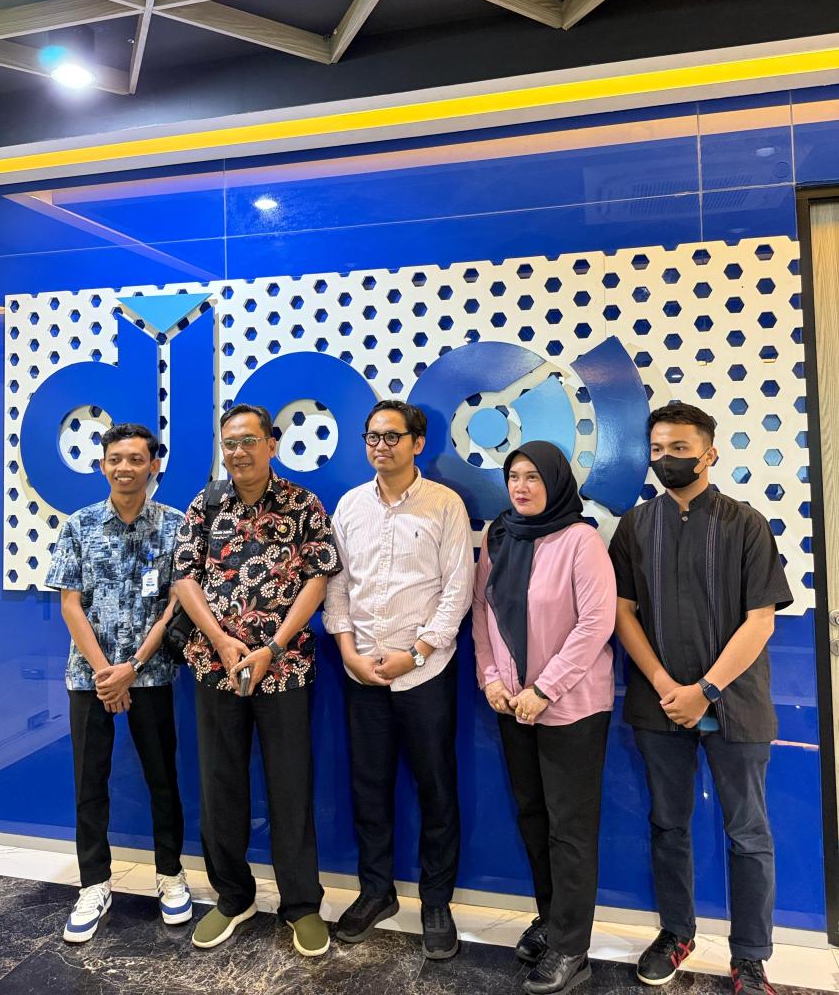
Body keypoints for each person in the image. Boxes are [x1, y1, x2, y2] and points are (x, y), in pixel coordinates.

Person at [611, 402, 792, 995]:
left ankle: (750, 957)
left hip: (736, 704)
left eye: (680, 448)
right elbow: (622, 612)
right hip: (659, 704)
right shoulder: (635, 526)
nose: (667, 459)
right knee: (668, 824)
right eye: (658, 450)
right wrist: (668, 687)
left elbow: (761, 620)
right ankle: (676, 933)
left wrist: (706, 690)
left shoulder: (746, 524)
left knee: (749, 833)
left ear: (709, 453)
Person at [171, 403, 340, 958]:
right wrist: (221, 641)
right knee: (220, 785)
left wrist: (273, 647)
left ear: (271, 443)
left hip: (283, 668)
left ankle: (302, 905)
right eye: (229, 443)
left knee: (290, 787)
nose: (238, 452)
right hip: (215, 667)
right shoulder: (205, 504)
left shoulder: (302, 504)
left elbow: (318, 579)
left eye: (248, 440)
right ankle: (233, 896)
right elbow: (184, 578)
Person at [322, 399, 474, 960]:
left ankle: (436, 901)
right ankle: (376, 892)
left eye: (392, 436)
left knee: (436, 789)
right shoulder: (350, 505)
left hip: (424, 672)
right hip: (361, 669)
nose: (381, 446)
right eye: (372, 436)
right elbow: (336, 586)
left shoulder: (444, 504)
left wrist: (416, 653)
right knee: (368, 787)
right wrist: (349, 652)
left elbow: (458, 589)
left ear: (417, 443)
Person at [472, 441, 615, 995]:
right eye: (514, 476)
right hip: (513, 705)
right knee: (533, 816)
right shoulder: (499, 536)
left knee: (570, 828)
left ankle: (572, 947)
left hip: (571, 708)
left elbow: (596, 623)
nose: (522, 486)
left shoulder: (580, 540)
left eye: (533, 476)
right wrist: (491, 678)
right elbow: (482, 611)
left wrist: (545, 689)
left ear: (555, 482)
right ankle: (553, 920)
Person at [46, 423, 191, 944]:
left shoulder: (175, 525)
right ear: (102, 465)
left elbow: (177, 604)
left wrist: (133, 666)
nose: (124, 467)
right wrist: (106, 673)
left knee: (162, 779)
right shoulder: (79, 524)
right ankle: (94, 884)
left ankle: (170, 875)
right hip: (89, 678)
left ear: (154, 465)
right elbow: (70, 604)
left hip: (151, 674)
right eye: (115, 459)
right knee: (90, 783)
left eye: (135, 459)